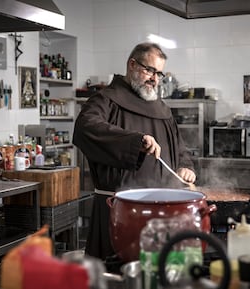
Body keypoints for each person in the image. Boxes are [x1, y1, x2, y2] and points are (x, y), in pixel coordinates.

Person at [73, 42, 196, 260]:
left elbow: (179, 146)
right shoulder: (106, 99)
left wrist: (185, 166)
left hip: (160, 212)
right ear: (132, 64)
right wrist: (135, 141)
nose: (154, 79)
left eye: (159, 73)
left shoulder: (163, 109)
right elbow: (85, 127)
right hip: (119, 210)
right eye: (149, 70)